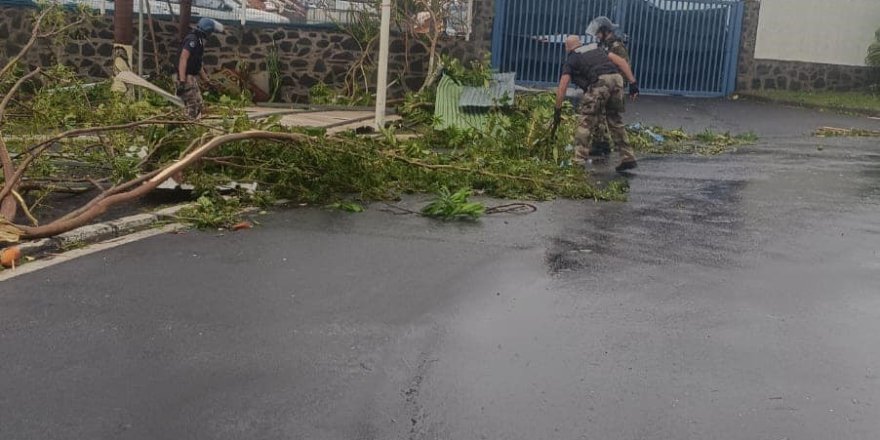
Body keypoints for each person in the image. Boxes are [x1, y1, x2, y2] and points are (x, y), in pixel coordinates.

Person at [554, 36, 639, 172]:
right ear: (580, 43)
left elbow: (562, 86)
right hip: (617, 79)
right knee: (615, 120)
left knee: (586, 121)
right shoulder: (597, 48)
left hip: (601, 82)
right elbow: (622, 62)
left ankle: (578, 161)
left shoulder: (572, 58)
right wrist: (633, 83)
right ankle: (628, 157)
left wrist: (557, 110)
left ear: (567, 47)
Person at [586, 16, 631, 159]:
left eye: (598, 33)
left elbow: (624, 66)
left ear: (605, 31)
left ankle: (623, 152)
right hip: (605, 85)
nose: (597, 36)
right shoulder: (605, 45)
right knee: (599, 113)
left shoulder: (617, 47)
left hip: (614, 86)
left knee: (611, 118)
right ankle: (602, 143)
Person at [177, 18, 224, 120]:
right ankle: (188, 126)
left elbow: (198, 65)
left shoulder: (199, 41)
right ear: (207, 31)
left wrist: (207, 81)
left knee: (200, 104)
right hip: (186, 77)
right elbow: (183, 58)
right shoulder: (192, 40)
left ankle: (195, 124)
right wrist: (181, 81)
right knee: (192, 107)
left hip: (191, 77)